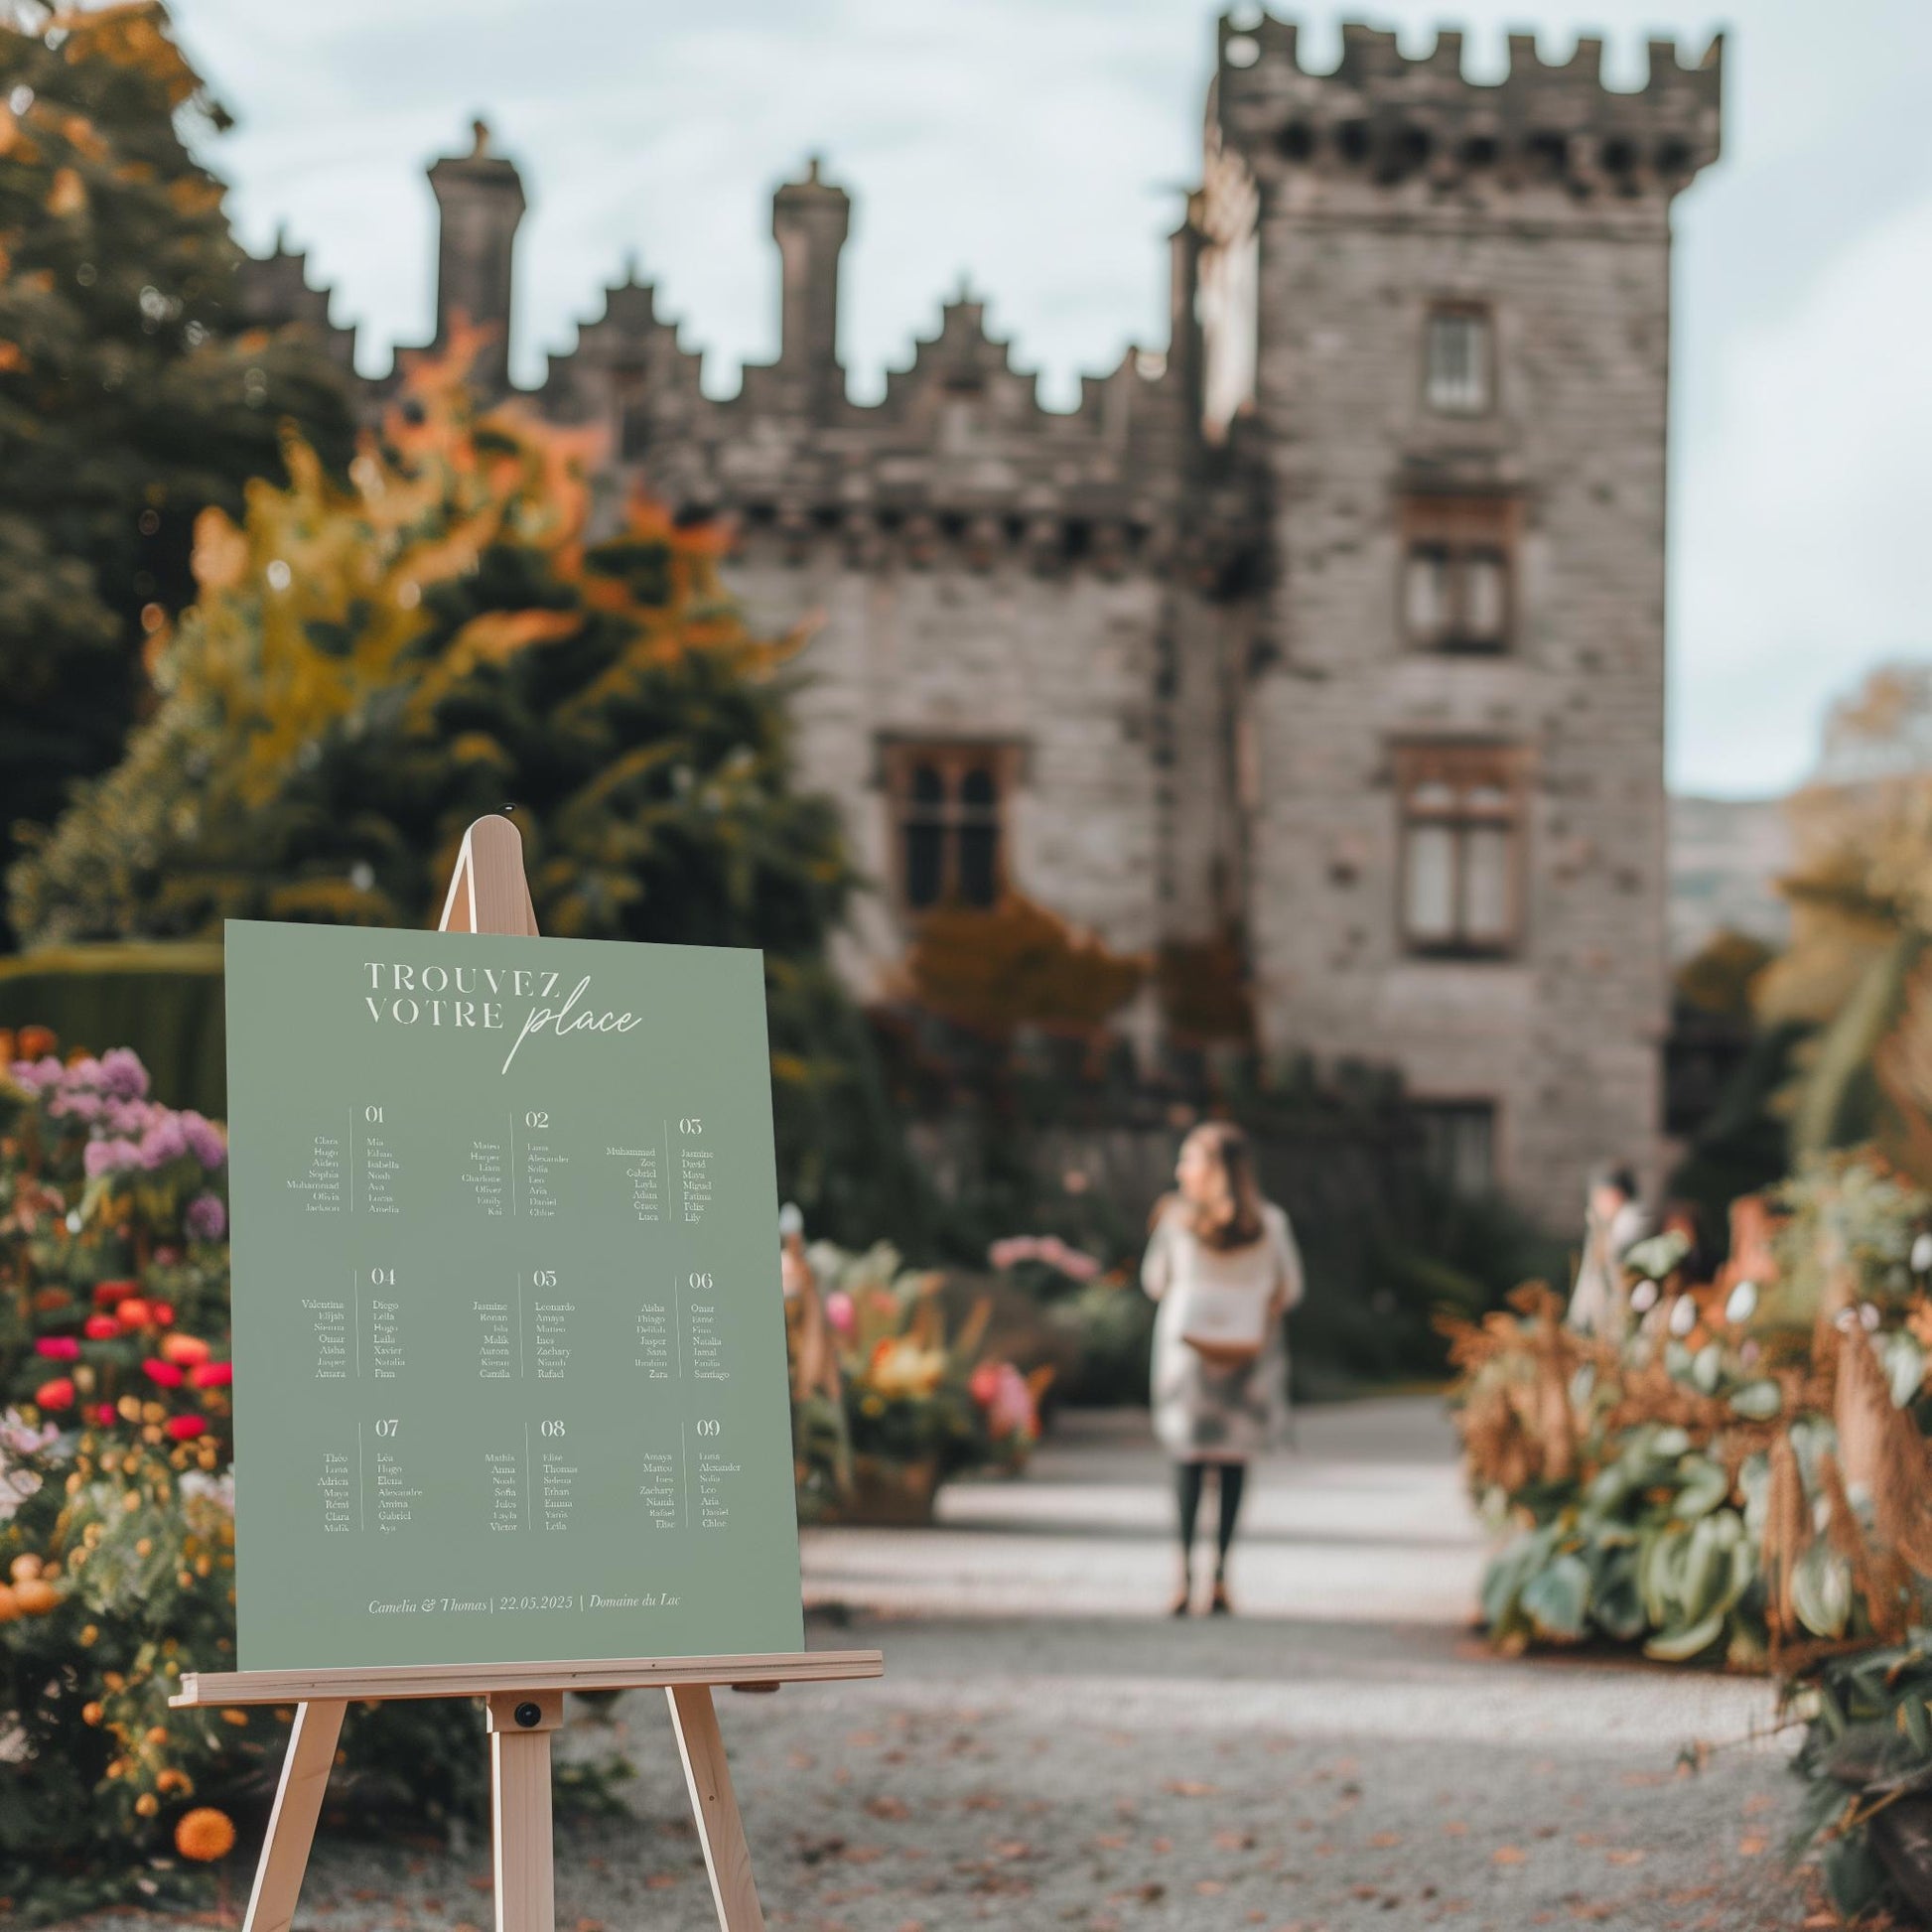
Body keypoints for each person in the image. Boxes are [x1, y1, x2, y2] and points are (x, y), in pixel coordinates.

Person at [1141, 1121, 1304, 1616]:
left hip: (1188, 1359)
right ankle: (1220, 1577)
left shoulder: (1175, 1219)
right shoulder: (1270, 1223)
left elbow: (1154, 1281)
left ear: (1211, 1169)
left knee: (1188, 1464)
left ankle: (1183, 1575)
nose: (1180, 1169)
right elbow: (1291, 1288)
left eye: (1189, 1159)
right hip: (1248, 1357)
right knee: (1233, 1465)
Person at [1566, 1164, 1651, 1337]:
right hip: (1602, 1315)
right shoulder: (1600, 1225)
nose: (1601, 1202)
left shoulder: (1634, 1218)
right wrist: (1576, 1320)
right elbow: (1588, 1277)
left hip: (1629, 1310)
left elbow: (1621, 1245)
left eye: (1606, 1195)